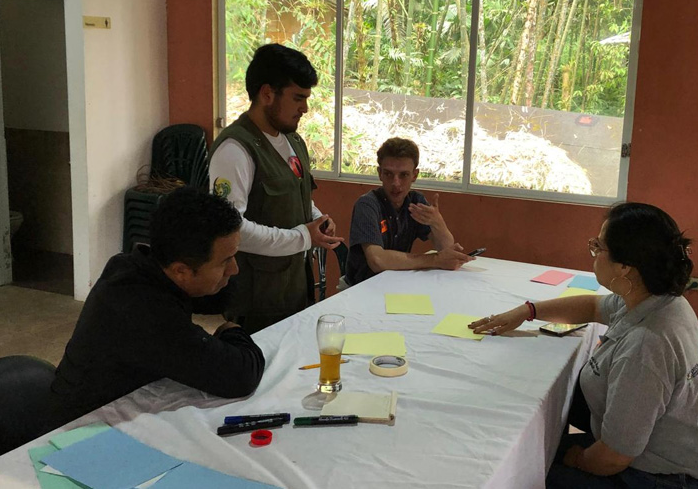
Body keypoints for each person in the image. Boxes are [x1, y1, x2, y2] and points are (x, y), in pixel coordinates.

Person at [469, 203, 698, 488]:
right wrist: (527, 311)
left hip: (656, 476)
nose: (593, 253)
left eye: (598, 247)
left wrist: (574, 458)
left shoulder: (646, 345)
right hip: (658, 455)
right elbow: (592, 306)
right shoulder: (661, 300)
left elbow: (613, 457)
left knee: (521, 473)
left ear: (625, 267)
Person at [50, 188, 265, 426]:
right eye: (225, 261)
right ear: (181, 271)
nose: (234, 269)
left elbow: (222, 296)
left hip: (120, 407)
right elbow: (240, 376)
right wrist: (230, 330)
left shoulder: (136, 264)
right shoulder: (143, 313)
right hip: (81, 430)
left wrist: (221, 279)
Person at [208, 44, 343, 333]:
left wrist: (318, 220)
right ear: (267, 94)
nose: (304, 108)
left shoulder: (292, 142)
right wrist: (302, 237)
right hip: (256, 300)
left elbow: (297, 198)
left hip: (294, 290)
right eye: (297, 98)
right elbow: (232, 230)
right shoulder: (235, 149)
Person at [345, 137, 472, 286]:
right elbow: (377, 261)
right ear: (379, 173)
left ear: (415, 175)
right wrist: (435, 260)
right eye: (388, 174)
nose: (395, 183)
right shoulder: (367, 205)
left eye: (403, 175)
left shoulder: (415, 202)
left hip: (399, 282)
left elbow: (447, 249)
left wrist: (438, 222)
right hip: (362, 287)